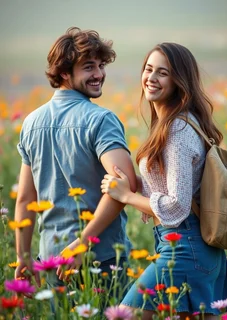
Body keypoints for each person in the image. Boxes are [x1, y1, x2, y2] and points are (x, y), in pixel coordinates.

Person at [101, 43, 227, 320]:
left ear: (179, 82)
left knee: (123, 315)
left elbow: (177, 206)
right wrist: (136, 182)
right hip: (192, 248)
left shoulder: (177, 129)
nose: (151, 77)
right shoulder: (175, 123)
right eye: (148, 69)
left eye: (162, 73)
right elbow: (180, 185)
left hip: (185, 246)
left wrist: (126, 196)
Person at [14, 27, 137, 291]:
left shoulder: (31, 123)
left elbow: (26, 198)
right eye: (89, 67)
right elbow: (125, 184)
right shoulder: (101, 120)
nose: (99, 74)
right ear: (63, 73)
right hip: (100, 260)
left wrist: (23, 255)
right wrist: (82, 243)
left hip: (50, 261)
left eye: (101, 65)